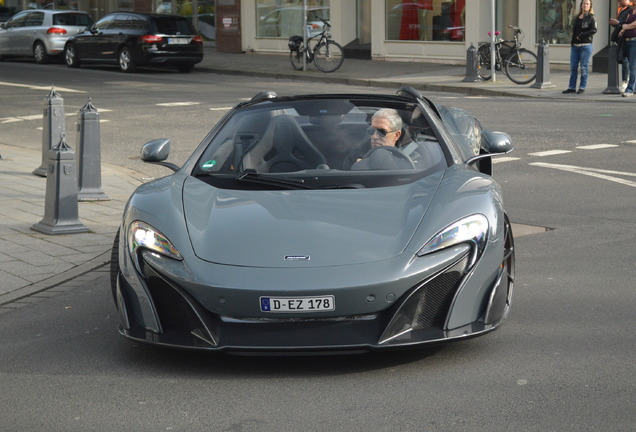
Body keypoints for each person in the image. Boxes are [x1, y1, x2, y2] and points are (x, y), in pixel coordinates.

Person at [562, 0, 597, 95]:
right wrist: (572, 42)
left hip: (585, 46)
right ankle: (571, 87)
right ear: (581, 5)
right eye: (583, 3)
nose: (585, 5)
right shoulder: (577, 17)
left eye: (587, 4)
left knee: (583, 68)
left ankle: (582, 87)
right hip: (575, 46)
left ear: (590, 6)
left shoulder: (591, 17)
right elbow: (574, 31)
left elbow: (594, 30)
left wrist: (581, 36)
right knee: (573, 68)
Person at [610, 0, 633, 91]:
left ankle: (626, 82)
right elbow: (621, 24)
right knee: (624, 59)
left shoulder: (630, 9)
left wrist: (618, 22)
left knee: (627, 61)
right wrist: (615, 23)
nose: (619, 1)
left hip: (628, 38)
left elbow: (626, 23)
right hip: (621, 38)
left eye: (620, 0)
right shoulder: (622, 10)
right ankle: (626, 81)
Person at [619, 3, 636, 97]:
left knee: (632, 67)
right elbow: (624, 23)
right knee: (632, 66)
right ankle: (634, 88)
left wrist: (626, 27)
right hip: (627, 41)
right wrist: (623, 29)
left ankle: (630, 89)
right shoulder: (630, 11)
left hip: (635, 41)